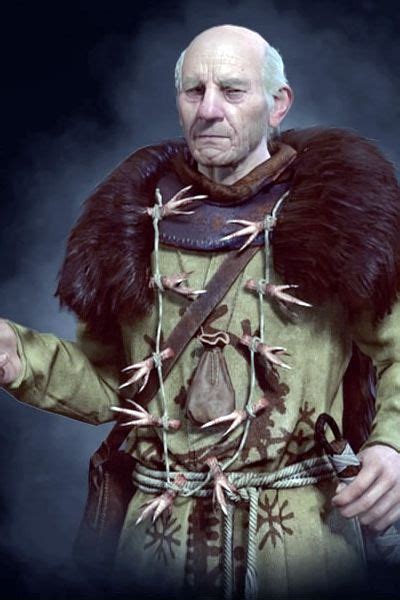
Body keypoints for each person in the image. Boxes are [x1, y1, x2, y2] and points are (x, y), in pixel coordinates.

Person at [1, 24, 400, 599]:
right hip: (156, 545)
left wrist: (391, 443)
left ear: (278, 104)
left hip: (300, 545)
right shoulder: (130, 225)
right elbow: (112, 385)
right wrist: (19, 357)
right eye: (195, 91)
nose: (210, 110)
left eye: (232, 91)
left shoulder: (340, 220)